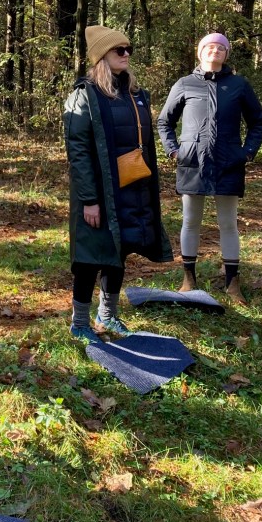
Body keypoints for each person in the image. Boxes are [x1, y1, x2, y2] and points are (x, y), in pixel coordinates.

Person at [64, 26, 172, 342]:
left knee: (120, 250)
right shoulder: (84, 95)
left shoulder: (135, 95)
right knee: (90, 256)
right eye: (119, 50)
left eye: (128, 49)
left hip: (131, 189)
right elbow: (78, 152)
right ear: (102, 56)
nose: (126, 55)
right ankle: (80, 322)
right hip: (98, 192)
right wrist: (90, 199)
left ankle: (108, 315)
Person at [157, 32, 262, 300]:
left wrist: (247, 153)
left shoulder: (239, 85)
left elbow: (258, 121)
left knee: (228, 223)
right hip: (192, 162)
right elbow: (164, 121)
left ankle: (232, 283)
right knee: (190, 221)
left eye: (220, 48)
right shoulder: (184, 84)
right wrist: (174, 150)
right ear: (200, 51)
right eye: (209, 46)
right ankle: (188, 279)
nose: (214, 51)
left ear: (226, 54)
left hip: (229, 162)